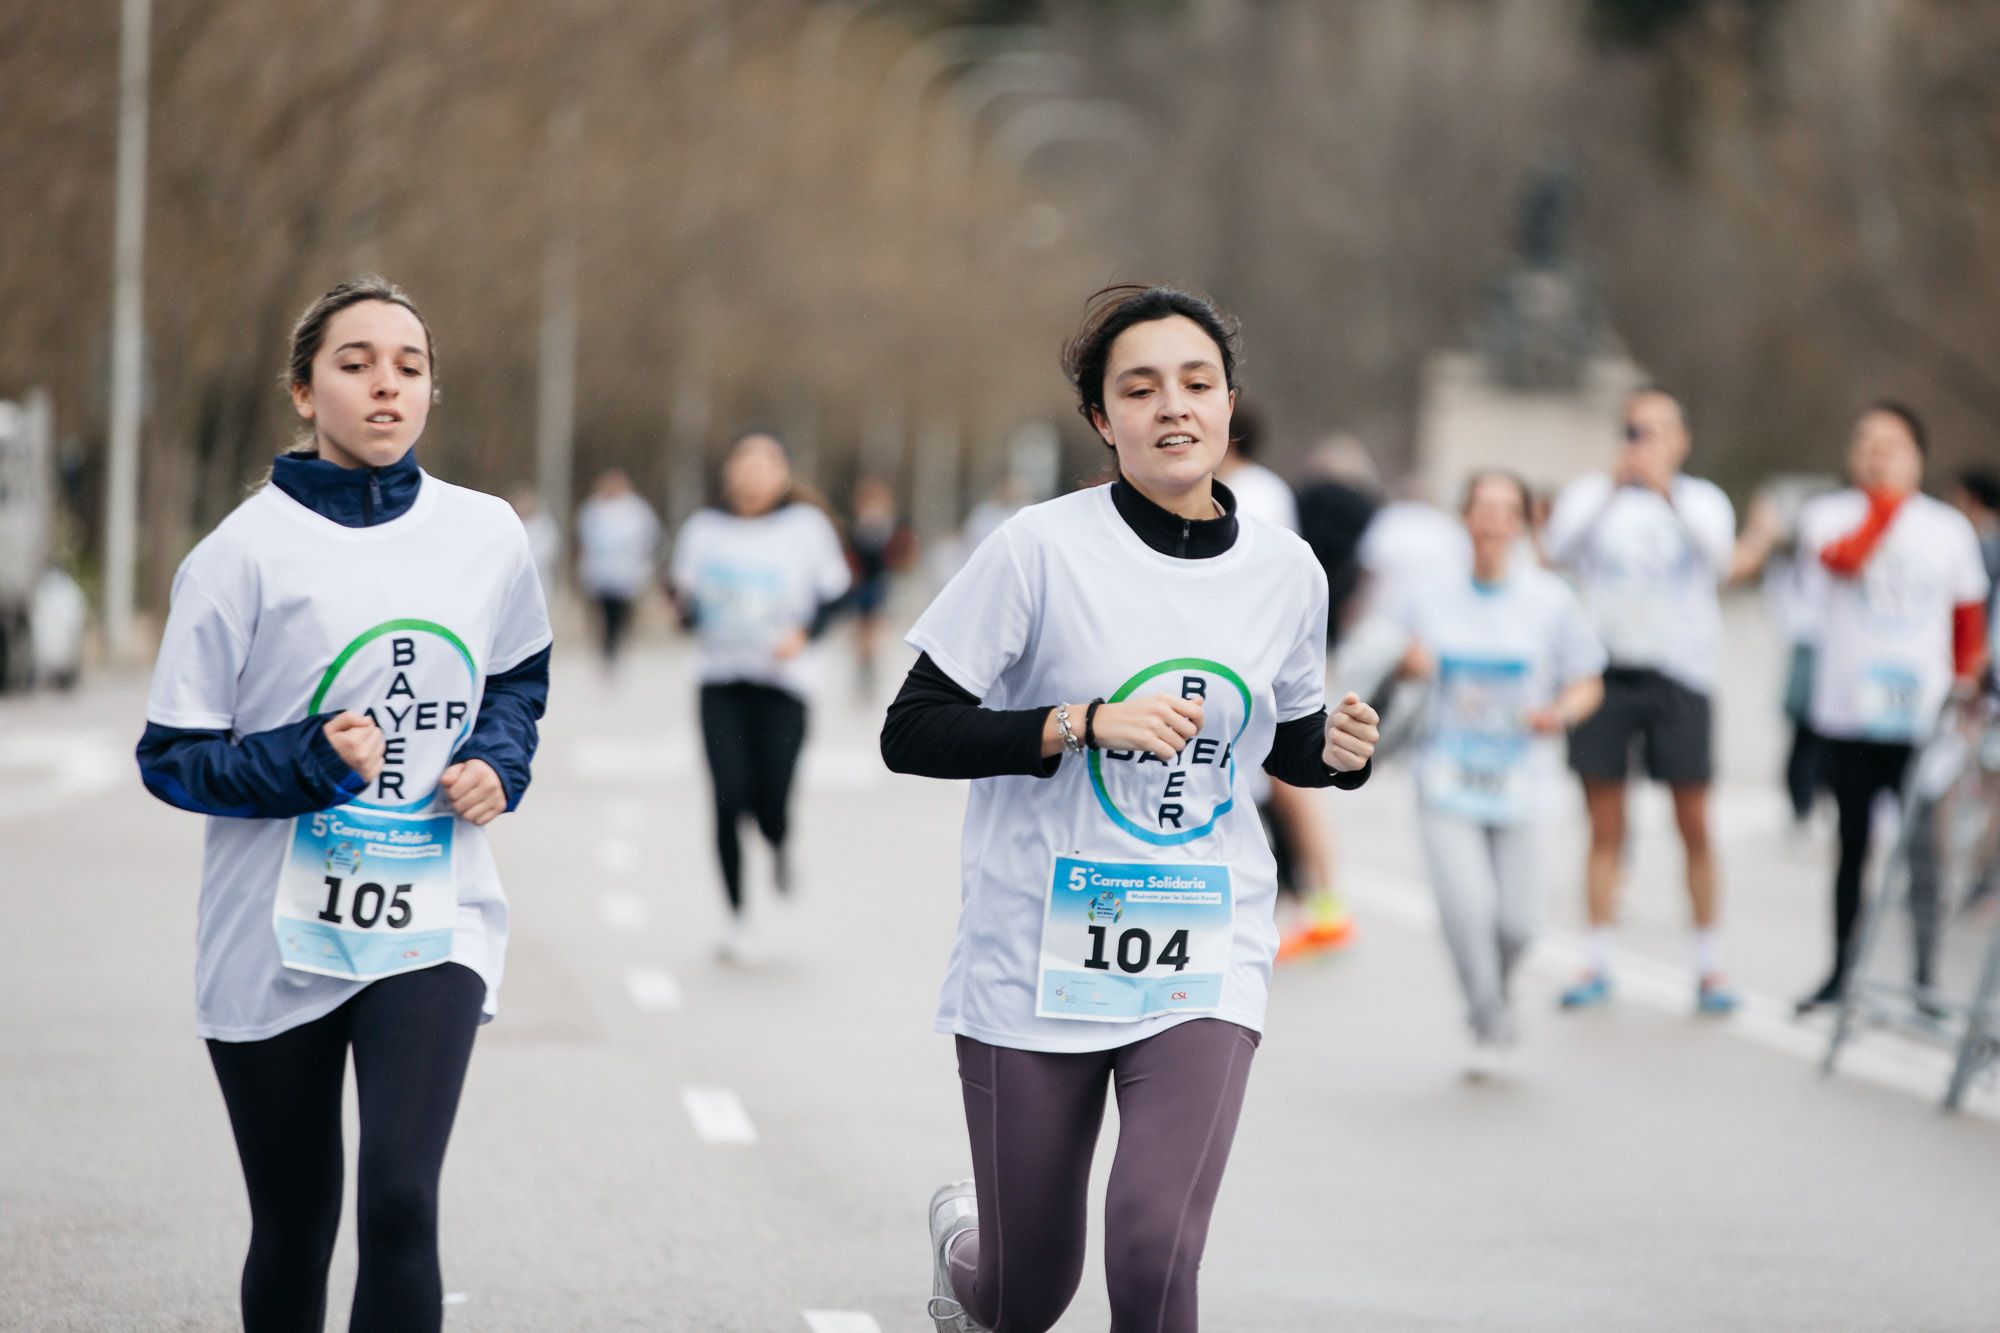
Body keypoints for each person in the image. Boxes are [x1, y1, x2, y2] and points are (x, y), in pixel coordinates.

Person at [880, 285, 1378, 1333]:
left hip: (1203, 944)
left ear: (1229, 404)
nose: (1173, 407)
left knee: (1153, 1254)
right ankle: (969, 1252)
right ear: (1103, 420)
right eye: (1140, 389)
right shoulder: (1037, 548)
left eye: (1196, 383)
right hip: (1035, 952)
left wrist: (1336, 754)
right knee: (1026, 1291)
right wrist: (1080, 722)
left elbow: (1283, 737)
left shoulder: (1285, 570)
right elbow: (912, 730)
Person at [135, 277, 551, 1331]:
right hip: (273, 928)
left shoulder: (486, 533)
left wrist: (497, 762)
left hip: (433, 912)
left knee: (402, 1201)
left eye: (409, 367)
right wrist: (309, 761)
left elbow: (515, 673)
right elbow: (172, 757)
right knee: (294, 1226)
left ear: (432, 390)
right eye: (356, 364)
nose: (385, 386)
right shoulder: (239, 555)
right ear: (303, 390)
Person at [1391, 471, 1605, 1077]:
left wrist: (1559, 713)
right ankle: (1487, 1018)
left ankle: (1497, 990)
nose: (1492, 521)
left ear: (1523, 523)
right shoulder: (1429, 597)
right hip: (1445, 776)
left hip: (1523, 779)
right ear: (1464, 518)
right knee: (1467, 913)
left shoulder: (1551, 599)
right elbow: (1386, 665)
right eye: (1481, 508)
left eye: (1506, 510)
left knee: (1519, 924)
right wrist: (1407, 666)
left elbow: (1588, 680)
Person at [1544, 386, 1740, 1014]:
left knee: (1694, 821)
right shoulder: (1592, 496)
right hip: (1605, 672)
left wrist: (1665, 491)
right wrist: (1615, 487)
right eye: (1635, 429)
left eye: (1658, 430)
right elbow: (1556, 551)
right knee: (1605, 822)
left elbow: (1721, 560)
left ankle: (1709, 962)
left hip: (1680, 673)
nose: (1644, 442)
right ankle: (1597, 957)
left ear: (1682, 439)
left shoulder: (1702, 500)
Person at [1792, 402, 1990, 1013]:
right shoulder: (1827, 515)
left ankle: (1924, 979)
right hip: (1850, 714)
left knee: (1924, 854)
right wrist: (1884, 506)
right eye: (1866, 442)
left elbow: (1968, 622)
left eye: (1890, 445)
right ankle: (1840, 971)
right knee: (1852, 846)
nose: (1876, 454)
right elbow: (1843, 560)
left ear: (1918, 456)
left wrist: (1965, 691)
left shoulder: (1947, 530)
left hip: (1921, 721)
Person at [669, 429, 851, 962]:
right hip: (720, 681)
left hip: (784, 686)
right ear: (728, 473)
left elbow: (836, 596)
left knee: (771, 799)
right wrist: (684, 611)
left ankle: (778, 840)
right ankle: (737, 917)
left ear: (782, 474)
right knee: (727, 796)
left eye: (763, 465)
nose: (751, 475)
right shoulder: (704, 530)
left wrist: (803, 635)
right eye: (743, 464)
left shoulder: (807, 528)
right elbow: (683, 600)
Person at [1218, 408, 1352, 959]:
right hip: (1243, 657)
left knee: (1288, 785)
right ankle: (1307, 899)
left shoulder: (1253, 492)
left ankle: (1326, 904)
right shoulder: (1254, 487)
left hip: (1259, 659)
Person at [575, 467, 661, 675]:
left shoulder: (636, 510)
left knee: (621, 615)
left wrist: (644, 565)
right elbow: (584, 540)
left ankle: (617, 648)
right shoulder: (593, 509)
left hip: (626, 575)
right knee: (606, 616)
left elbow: (649, 538)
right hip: (601, 575)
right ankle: (607, 650)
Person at [847, 473, 917, 699]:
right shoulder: (857, 525)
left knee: (874, 625)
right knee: (862, 627)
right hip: (861, 582)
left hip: (879, 582)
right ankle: (864, 664)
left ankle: (870, 665)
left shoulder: (890, 525)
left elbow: (900, 551)